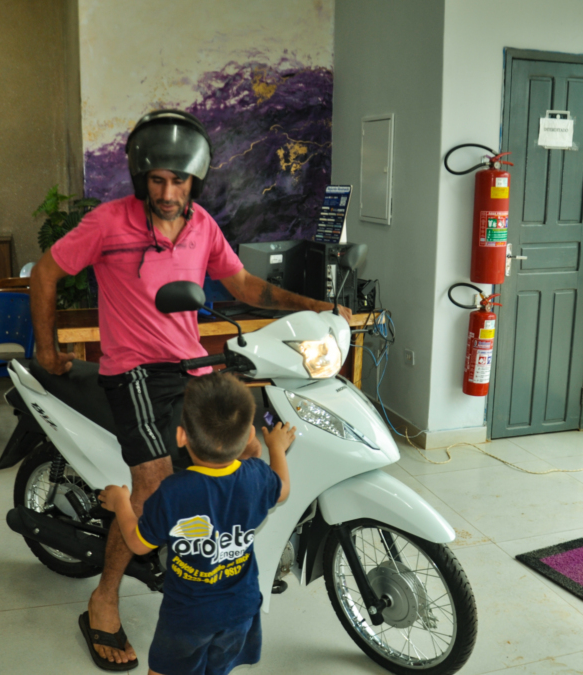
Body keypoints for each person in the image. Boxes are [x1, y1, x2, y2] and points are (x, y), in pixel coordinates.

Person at [29, 109, 351, 669]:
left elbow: (244, 285)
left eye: (178, 181)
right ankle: (104, 600)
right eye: (157, 180)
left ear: (194, 181)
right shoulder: (108, 223)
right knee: (152, 488)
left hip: (192, 366)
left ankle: (222, 558)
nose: (167, 193)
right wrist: (47, 348)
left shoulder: (202, 225)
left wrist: (317, 306)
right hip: (131, 371)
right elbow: (45, 273)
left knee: (250, 449)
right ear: (142, 179)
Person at [91, 372, 294, 675]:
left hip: (188, 615)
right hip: (241, 608)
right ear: (249, 435)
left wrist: (121, 502)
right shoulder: (256, 476)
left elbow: (137, 543)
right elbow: (283, 489)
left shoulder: (173, 492)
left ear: (182, 436)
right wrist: (276, 447)